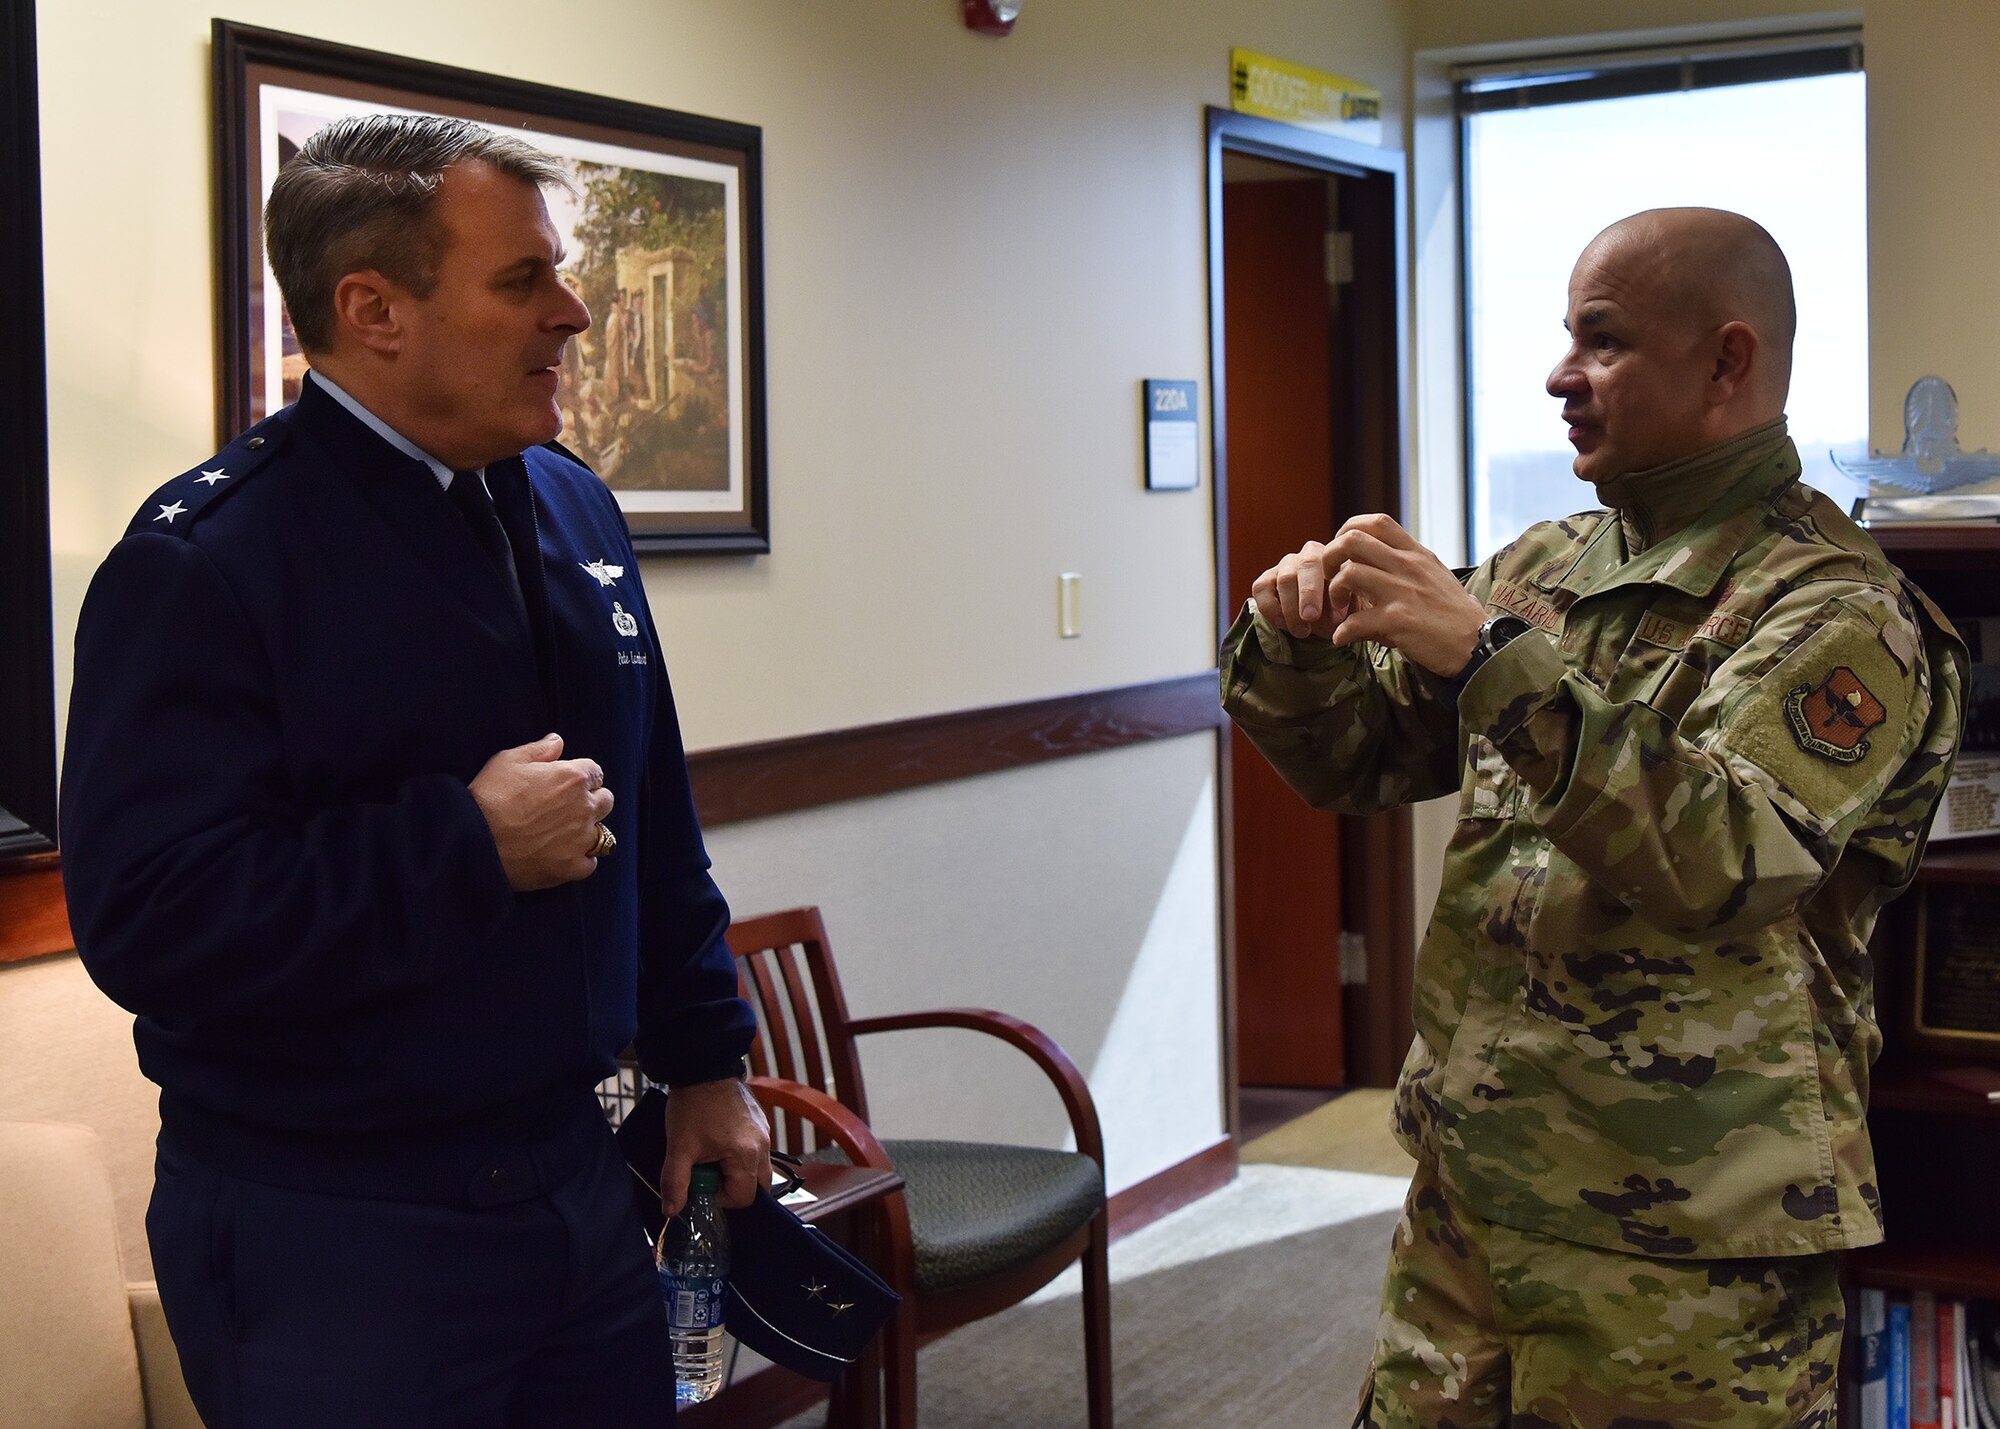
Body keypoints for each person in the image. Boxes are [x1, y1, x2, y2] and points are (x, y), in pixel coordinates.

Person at [60, 114, 769, 1429]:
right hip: (333, 1226)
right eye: (522, 282)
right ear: (373, 311)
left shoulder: (571, 507)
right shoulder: (206, 562)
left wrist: (709, 1059)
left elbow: (649, 814)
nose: (573, 314)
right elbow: (148, 918)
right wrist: (462, 847)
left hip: (576, 1181)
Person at [1221, 208, 1965, 1428]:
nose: (1559, 376)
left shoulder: (1840, 612)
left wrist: (1490, 661)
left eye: (1601, 341)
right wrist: (1294, 645)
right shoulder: (1544, 565)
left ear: (1727, 361)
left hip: (1681, 1231)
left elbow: (1719, 858)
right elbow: (1358, 759)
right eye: (1567, 337)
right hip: (1473, 1184)